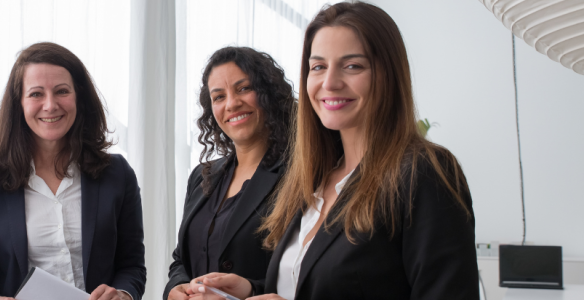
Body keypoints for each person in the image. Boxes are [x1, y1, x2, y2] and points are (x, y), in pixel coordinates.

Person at [191, 2, 478, 299]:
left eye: (352, 65)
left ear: (388, 74)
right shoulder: (315, 178)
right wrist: (251, 290)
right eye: (318, 67)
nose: (330, 83)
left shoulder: (423, 172)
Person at [0, 42, 146, 300]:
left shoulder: (117, 174)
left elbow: (132, 266)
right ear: (19, 103)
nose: (50, 105)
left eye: (61, 91)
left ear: (79, 97)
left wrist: (124, 295)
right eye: (36, 94)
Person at [164, 47, 294, 300]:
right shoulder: (203, 176)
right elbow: (181, 259)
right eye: (219, 96)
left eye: (244, 88)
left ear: (268, 93)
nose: (232, 104)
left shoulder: (298, 175)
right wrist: (175, 288)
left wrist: (249, 291)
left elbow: (306, 273)